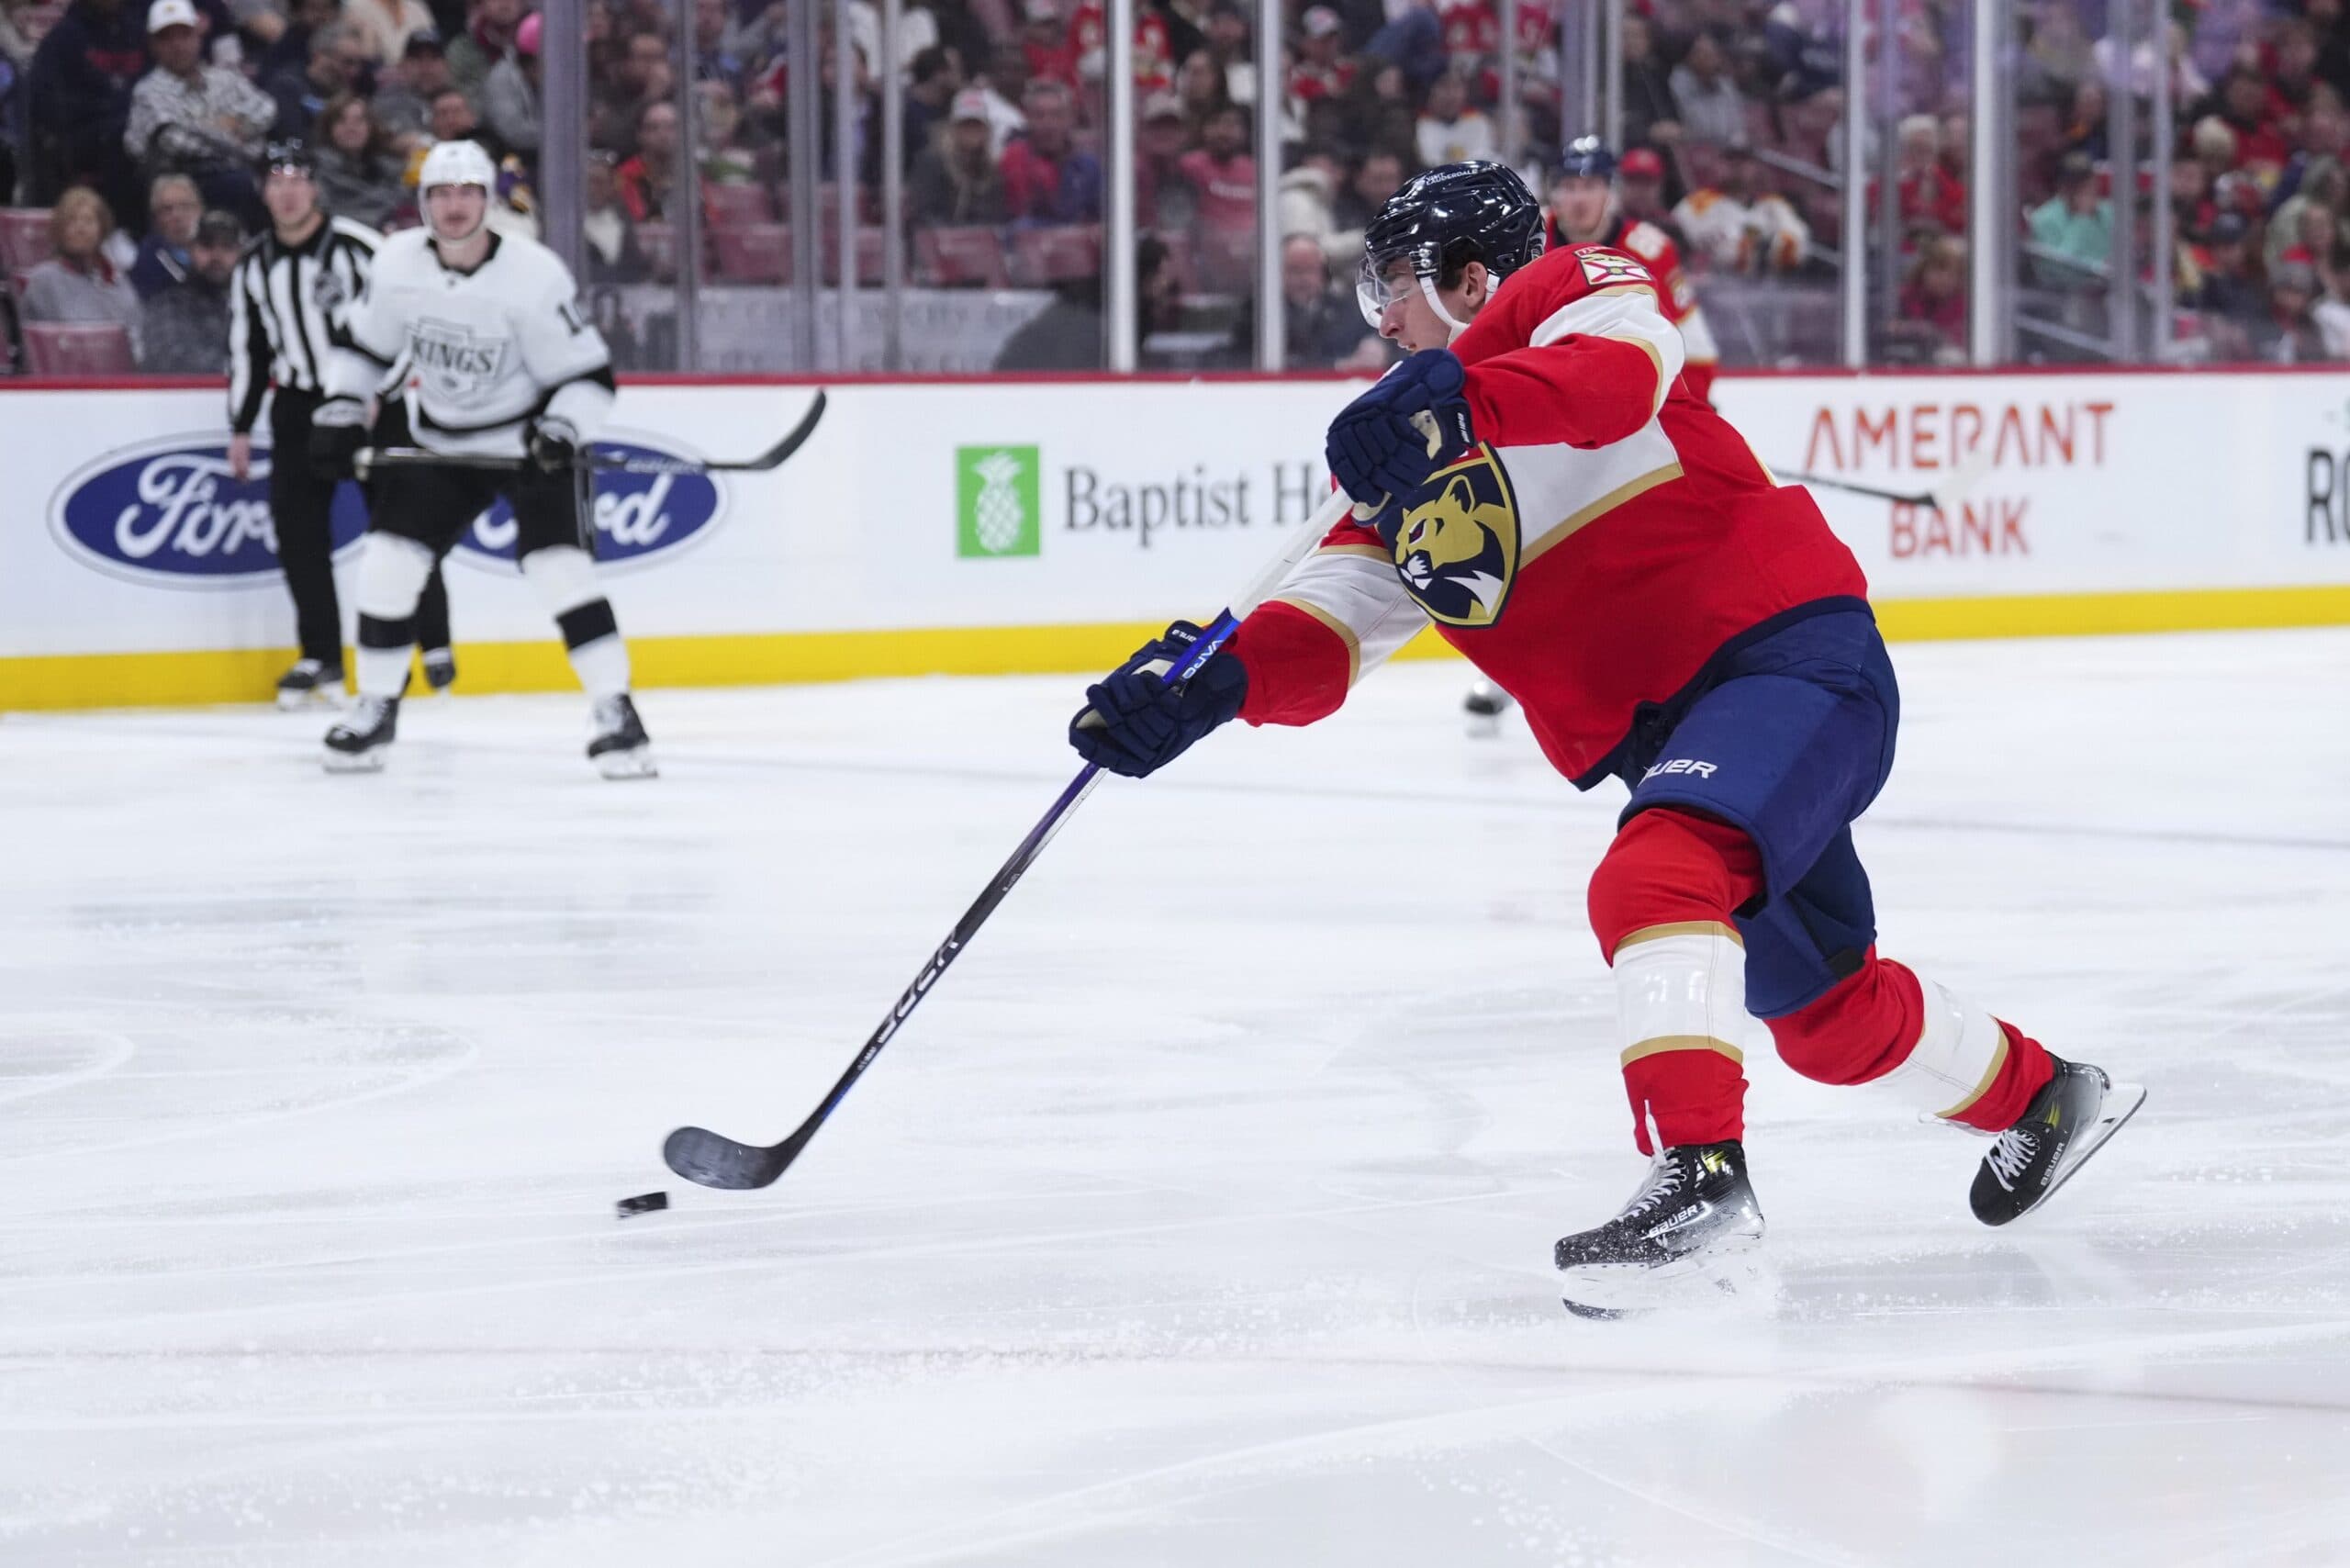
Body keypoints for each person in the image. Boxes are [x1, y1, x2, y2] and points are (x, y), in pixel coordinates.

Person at [1065, 161, 2143, 1316]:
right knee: (1826, 1020)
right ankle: (2047, 1098)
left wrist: (1457, 400)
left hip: (1785, 656)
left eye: (1394, 282)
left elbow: (1617, 379)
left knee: (1655, 873)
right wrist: (1209, 688)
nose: (1377, 315)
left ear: (1471, 276)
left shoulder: (1571, 287)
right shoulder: (1387, 477)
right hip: (1682, 730)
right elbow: (1324, 634)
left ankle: (1703, 1181)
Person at [310, 139, 655, 778]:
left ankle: (618, 715)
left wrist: (560, 430)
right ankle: (375, 708)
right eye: (440, 193)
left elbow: (590, 379)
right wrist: (339, 407)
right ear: (422, 203)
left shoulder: (535, 274)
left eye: (468, 193)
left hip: (527, 445)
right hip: (440, 442)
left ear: (489, 201)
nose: (454, 206)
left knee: (561, 571)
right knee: (386, 565)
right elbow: (363, 348)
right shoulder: (396, 264)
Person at [228, 140, 450, 707]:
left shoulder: (357, 247)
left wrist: (381, 389)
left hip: (372, 403)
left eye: (297, 179)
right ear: (263, 192)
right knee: (298, 534)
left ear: (315, 187)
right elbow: (249, 349)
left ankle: (429, 646)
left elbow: (407, 319)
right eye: (275, 181)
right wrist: (241, 425)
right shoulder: (253, 263)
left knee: (402, 527)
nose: (287, 191)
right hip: (300, 407)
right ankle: (320, 655)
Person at [124, 0, 273, 220]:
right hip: (186, 179)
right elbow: (173, 140)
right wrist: (233, 131)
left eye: (184, 35)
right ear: (153, 45)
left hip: (240, 171)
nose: (177, 45)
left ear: (198, 36)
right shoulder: (148, 91)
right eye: (167, 38)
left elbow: (267, 108)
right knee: (242, 183)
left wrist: (206, 127)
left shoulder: (225, 79)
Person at [20, 185, 144, 352]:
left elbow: (136, 338)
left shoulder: (119, 281)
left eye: (88, 221)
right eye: (72, 221)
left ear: (101, 229)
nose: (80, 228)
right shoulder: (43, 281)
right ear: (60, 230)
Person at [1673, 137, 1810, 274]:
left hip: (1771, 285)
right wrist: (1765, 246)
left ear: (1755, 167)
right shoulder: (1696, 204)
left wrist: (1753, 248)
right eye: (1730, 159)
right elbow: (1723, 254)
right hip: (1715, 285)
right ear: (1717, 164)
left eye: (1744, 160)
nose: (1737, 166)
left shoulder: (1774, 205)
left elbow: (1798, 247)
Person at [139, 204, 239, 368]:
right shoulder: (168, 304)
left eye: (227, 247)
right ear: (191, 250)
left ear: (240, 252)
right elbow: (171, 360)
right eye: (207, 246)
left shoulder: (256, 303)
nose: (216, 256)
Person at [311, 91, 405, 227]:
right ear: (329, 128)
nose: (351, 128)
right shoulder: (315, 169)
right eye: (342, 121)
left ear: (370, 127)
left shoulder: (391, 168)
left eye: (359, 120)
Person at [129, 172, 203, 297]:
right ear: (156, 219)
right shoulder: (147, 262)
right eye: (167, 210)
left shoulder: (218, 247)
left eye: (185, 206)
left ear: (200, 210)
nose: (177, 216)